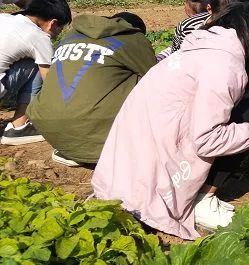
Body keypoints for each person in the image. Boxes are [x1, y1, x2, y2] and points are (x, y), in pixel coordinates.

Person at [92, 0, 249, 238]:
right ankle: (203, 200)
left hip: (129, 159)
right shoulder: (224, 64)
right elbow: (206, 140)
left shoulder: (218, 44)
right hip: (153, 167)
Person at [27, 12, 157, 166]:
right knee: (148, 82)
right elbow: (156, 78)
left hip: (47, 125)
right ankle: (116, 145)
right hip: (96, 137)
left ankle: (71, 148)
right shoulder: (133, 38)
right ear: (135, 29)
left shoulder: (70, 36)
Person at [0, 0, 72, 145]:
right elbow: (50, 82)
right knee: (37, 64)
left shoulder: (5, 18)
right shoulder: (39, 38)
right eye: (60, 29)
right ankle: (17, 128)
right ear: (52, 23)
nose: (57, 34)